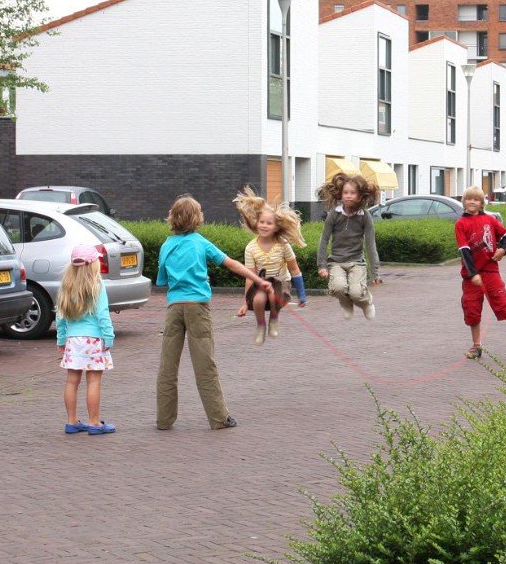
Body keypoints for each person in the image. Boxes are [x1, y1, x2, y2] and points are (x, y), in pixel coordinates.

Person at [155, 195, 272, 430]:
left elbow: (163, 280)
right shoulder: (200, 242)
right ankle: (219, 418)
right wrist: (257, 279)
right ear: (197, 219)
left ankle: (164, 420)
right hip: (197, 308)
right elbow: (231, 264)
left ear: (173, 218)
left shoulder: (166, 245)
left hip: (174, 308)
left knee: (168, 365)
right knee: (204, 364)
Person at [454, 186, 506, 362]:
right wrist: (473, 274)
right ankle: (476, 345)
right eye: (469, 199)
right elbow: (464, 250)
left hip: (490, 272)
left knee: (504, 304)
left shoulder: (490, 219)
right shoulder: (460, 224)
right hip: (471, 276)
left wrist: (503, 250)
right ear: (464, 201)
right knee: (472, 310)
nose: (472, 202)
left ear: (481, 203)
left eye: (476, 199)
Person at [233, 187, 307, 345]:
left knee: (274, 296)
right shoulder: (251, 248)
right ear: (256, 223)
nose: (264, 226)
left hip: (281, 283)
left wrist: (301, 294)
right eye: (261, 222)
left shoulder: (282, 245)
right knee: (259, 300)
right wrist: (246, 302)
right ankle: (260, 325)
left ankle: (274, 317)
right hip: (262, 283)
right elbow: (249, 277)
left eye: (269, 223)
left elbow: (294, 269)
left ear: (276, 227)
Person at [57, 244, 116, 435]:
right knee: (93, 381)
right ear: (93, 264)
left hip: (73, 340)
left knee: (72, 381)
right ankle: (94, 422)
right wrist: (109, 336)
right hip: (93, 339)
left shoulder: (66, 286)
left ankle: (72, 421)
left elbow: (60, 317)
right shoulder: (97, 285)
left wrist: (61, 339)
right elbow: (102, 314)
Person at [315, 172, 381, 320]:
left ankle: (366, 303)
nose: (348, 196)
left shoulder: (364, 216)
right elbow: (324, 240)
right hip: (336, 262)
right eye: (345, 192)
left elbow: (371, 245)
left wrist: (375, 271)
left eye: (353, 193)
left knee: (356, 293)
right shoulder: (334, 214)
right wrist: (322, 265)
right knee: (338, 287)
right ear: (341, 194)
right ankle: (345, 303)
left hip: (356, 262)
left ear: (360, 196)